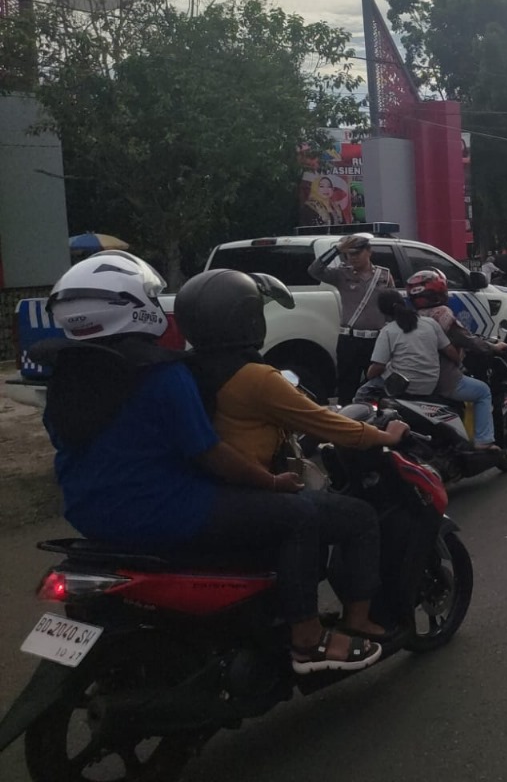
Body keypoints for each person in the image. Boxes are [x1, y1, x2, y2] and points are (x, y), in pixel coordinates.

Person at [37, 254, 391, 674]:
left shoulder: (64, 376)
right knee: (298, 516)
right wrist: (272, 483)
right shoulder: (162, 374)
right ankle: (308, 639)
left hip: (87, 514)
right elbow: (210, 453)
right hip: (165, 511)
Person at [176, 268, 412, 669]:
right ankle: (352, 621)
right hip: (252, 490)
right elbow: (326, 423)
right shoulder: (254, 378)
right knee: (358, 517)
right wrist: (384, 437)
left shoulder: (189, 368)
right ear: (247, 319)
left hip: (210, 490)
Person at [406, 269, 507, 451]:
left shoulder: (407, 317)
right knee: (483, 391)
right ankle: (483, 441)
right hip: (442, 380)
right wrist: (493, 347)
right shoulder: (442, 314)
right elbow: (467, 340)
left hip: (410, 380)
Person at [307, 234, 395, 404]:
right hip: (350, 340)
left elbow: (391, 307)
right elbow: (314, 270)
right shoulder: (341, 274)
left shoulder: (383, 275)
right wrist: (336, 249)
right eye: (349, 254)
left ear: (369, 251)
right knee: (347, 387)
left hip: (376, 340)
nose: (353, 258)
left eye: (357, 253)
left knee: (377, 387)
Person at [353, 289, 458, 403]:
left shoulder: (388, 331)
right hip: (429, 385)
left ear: (383, 311)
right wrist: (459, 364)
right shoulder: (430, 323)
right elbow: (449, 350)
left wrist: (368, 376)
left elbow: (378, 366)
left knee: (362, 393)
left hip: (401, 386)